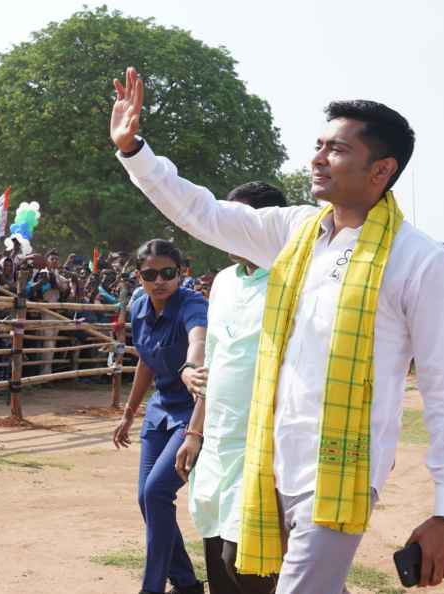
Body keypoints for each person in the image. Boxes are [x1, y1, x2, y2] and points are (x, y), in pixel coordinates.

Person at [111, 66, 444, 592]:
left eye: (337, 150)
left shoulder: (420, 261)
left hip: (340, 470)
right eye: (319, 145)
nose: (317, 159)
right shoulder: (294, 232)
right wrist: (135, 151)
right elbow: (203, 212)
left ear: (381, 170)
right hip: (266, 460)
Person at [174, 182, 287, 594]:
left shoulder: (293, 280)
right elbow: (215, 361)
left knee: (248, 567)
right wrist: (194, 431)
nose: (223, 229)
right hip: (219, 443)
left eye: (234, 221)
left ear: (266, 226)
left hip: (265, 449)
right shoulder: (224, 281)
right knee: (218, 561)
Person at [112, 239, 207, 594]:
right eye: (150, 274)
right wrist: (129, 412)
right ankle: (185, 583)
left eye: (168, 272)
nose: (159, 280)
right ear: (139, 277)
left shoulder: (192, 303)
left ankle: (151, 588)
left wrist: (191, 366)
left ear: (181, 272)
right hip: (159, 410)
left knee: (156, 492)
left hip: (193, 412)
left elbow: (198, 336)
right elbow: (146, 360)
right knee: (146, 498)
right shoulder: (138, 307)